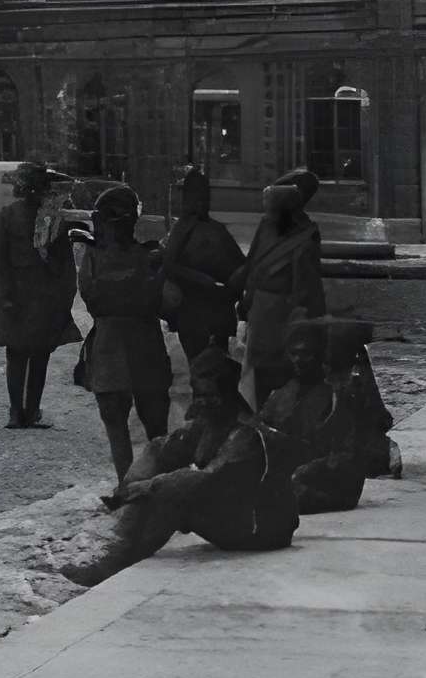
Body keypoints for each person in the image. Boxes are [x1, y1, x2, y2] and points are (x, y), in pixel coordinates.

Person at [55, 347, 300, 587]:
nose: (201, 402)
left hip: (264, 529)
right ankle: (114, 550)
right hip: (241, 515)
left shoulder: (245, 432)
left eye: (208, 395)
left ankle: (114, 561)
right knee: (158, 486)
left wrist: (146, 486)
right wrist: (131, 484)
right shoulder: (210, 422)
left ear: (226, 394)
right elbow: (161, 449)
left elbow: (200, 480)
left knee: (171, 496)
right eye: (198, 394)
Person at [73, 185, 174, 485]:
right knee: (153, 425)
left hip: (111, 346)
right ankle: (152, 486)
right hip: (142, 344)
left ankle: (131, 487)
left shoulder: (94, 258)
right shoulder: (149, 257)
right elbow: (158, 301)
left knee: (122, 426)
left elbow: (93, 299)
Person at [0, 160, 82, 430]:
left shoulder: (11, 216)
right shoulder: (47, 217)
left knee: (20, 354)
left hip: (23, 296)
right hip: (37, 296)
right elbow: (63, 264)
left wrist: (4, 296)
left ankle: (20, 412)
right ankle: (28, 411)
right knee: (36, 355)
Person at [260, 318, 394, 514]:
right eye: (294, 354)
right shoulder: (281, 394)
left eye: (306, 354)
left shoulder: (338, 397)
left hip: (327, 482)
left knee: (282, 499)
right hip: (290, 473)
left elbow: (349, 456)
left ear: (319, 356)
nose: (299, 360)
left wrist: (310, 469)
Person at [233, 170, 329, 410]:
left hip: (285, 316)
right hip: (261, 312)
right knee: (259, 376)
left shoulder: (306, 234)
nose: (269, 210)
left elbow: (308, 286)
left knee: (283, 375)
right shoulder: (267, 226)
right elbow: (252, 263)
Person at [157, 166, 244, 363]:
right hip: (193, 309)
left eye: (205, 196)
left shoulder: (217, 230)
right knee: (200, 367)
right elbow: (170, 265)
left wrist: (233, 287)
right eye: (196, 196)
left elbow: (240, 266)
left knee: (218, 367)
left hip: (220, 309)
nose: (201, 202)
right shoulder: (182, 230)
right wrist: (202, 280)